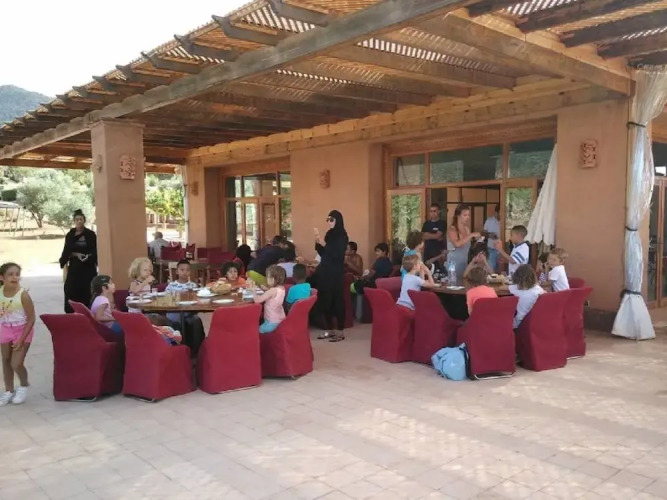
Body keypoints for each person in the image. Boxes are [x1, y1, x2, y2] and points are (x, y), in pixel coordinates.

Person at [0, 262, 36, 406]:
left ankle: (24, 385)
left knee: (16, 363)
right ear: (1, 277)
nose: (15, 277)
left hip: (22, 330)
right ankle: (9, 390)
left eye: (17, 274)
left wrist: (21, 339)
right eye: (10, 274)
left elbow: (31, 318)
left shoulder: (23, 295)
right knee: (6, 360)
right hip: (5, 328)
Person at [314, 210, 349, 342]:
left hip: (335, 272)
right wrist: (318, 244)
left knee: (337, 299)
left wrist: (325, 245)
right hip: (325, 271)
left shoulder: (342, 236)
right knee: (325, 299)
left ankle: (340, 330)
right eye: (327, 219)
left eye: (331, 219)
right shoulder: (329, 234)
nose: (329, 222)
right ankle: (329, 329)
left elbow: (338, 255)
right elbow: (325, 254)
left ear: (337, 220)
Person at [59, 209, 98, 313]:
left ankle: (87, 311)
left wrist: (88, 256)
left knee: (87, 290)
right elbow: (67, 251)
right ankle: (72, 311)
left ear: (84, 220)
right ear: (74, 221)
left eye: (81, 219)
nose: (79, 221)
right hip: (75, 268)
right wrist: (76, 254)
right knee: (70, 289)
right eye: (77, 219)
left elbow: (95, 250)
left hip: (88, 268)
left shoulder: (90, 234)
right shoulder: (70, 235)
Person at [165, 259, 204, 356]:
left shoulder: (193, 286)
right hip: (175, 313)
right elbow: (166, 299)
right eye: (182, 270)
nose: (185, 272)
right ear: (177, 271)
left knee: (196, 320)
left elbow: (198, 300)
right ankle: (179, 351)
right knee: (174, 322)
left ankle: (197, 352)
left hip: (188, 313)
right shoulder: (171, 286)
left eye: (187, 270)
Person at [351, 243, 393, 320]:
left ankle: (356, 314)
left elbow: (371, 273)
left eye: (378, 251)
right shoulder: (388, 262)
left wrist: (361, 278)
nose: (376, 253)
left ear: (384, 252)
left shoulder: (380, 261)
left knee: (353, 287)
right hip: (380, 284)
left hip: (373, 284)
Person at [447, 204, 481, 282]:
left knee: (465, 282)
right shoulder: (452, 229)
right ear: (458, 215)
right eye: (465, 215)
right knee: (454, 283)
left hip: (465, 262)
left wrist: (477, 241)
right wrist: (471, 235)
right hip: (454, 264)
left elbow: (467, 246)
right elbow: (457, 244)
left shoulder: (466, 229)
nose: (467, 217)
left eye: (468, 215)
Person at [509, 264, 545, 329]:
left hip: (520, 323)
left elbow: (502, 288)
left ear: (516, 277)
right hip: (536, 321)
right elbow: (545, 292)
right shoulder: (538, 289)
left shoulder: (515, 289)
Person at [253, 265, 286, 334]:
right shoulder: (282, 288)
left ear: (273, 279)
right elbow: (274, 295)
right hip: (281, 320)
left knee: (256, 331)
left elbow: (257, 300)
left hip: (271, 323)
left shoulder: (271, 291)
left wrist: (253, 290)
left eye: (267, 277)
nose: (266, 278)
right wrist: (267, 289)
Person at [483, 204, 501, 273]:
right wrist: (490, 235)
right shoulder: (489, 221)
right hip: (491, 250)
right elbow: (483, 233)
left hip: (503, 251)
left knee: (501, 272)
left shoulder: (506, 221)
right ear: (496, 212)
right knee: (490, 272)